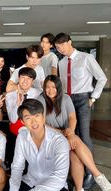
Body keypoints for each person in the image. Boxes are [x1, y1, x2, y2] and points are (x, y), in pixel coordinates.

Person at [37, 75, 111, 191]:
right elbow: (41, 124)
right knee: (75, 142)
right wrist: (64, 132)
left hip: (66, 132)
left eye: (53, 87)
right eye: (47, 87)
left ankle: (79, 188)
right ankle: (98, 176)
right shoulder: (41, 100)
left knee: (74, 154)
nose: (50, 90)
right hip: (50, 135)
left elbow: (72, 118)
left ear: (59, 88)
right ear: (44, 88)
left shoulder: (66, 98)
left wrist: (70, 132)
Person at [54, 33, 107, 188]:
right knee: (70, 134)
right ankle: (75, 170)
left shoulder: (86, 58)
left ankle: (90, 173)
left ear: (70, 42)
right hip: (67, 101)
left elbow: (102, 78)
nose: (60, 49)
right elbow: (62, 85)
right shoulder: (62, 63)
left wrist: (93, 98)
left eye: (62, 45)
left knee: (84, 135)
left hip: (83, 100)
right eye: (57, 47)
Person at [9, 99, 70, 191]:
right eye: (28, 118)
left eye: (37, 116)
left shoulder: (59, 141)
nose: (34, 122)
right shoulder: (22, 137)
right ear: (22, 122)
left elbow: (59, 178)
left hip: (54, 186)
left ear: (43, 117)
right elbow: (17, 167)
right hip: (30, 181)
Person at [6, 67, 41, 135]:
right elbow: (13, 120)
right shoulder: (10, 95)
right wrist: (18, 104)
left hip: (35, 129)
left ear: (32, 81)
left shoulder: (38, 94)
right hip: (16, 130)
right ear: (18, 78)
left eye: (29, 78)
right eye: (23, 77)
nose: (25, 81)